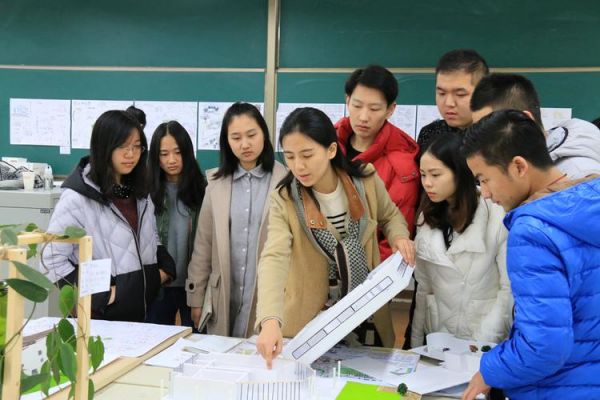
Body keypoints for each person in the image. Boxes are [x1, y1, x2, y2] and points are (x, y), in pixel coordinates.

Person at [255, 107, 416, 367]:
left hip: (367, 316)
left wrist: (399, 238)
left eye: (307, 155)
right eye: (290, 157)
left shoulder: (365, 180)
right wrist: (270, 319)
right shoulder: (283, 199)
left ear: (331, 150)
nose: (299, 166)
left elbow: (390, 216)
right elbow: (274, 257)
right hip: (311, 323)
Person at [461, 110, 600, 400]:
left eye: (484, 179)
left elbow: (544, 346)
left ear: (519, 167)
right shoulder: (588, 200)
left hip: (559, 388)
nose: (484, 194)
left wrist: (490, 369)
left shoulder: (533, 230)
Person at [42, 110, 176, 322]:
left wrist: (160, 272)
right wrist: (101, 296)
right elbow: (50, 258)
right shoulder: (78, 197)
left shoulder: (139, 192)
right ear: (104, 146)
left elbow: (148, 237)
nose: (131, 154)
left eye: (136, 146)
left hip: (141, 314)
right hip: (99, 319)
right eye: (122, 146)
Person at [186, 102, 287, 338]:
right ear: (227, 142)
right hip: (223, 296)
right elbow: (203, 246)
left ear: (264, 134)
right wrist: (196, 298)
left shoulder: (285, 181)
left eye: (252, 135)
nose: (245, 144)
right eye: (236, 137)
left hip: (267, 299)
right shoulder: (216, 184)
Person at [410, 133, 511, 348]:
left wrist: (485, 339)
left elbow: (508, 289)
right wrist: (416, 344)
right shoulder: (426, 217)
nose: (427, 183)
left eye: (436, 175)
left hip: (484, 336)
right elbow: (424, 288)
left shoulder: (496, 214)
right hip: (439, 336)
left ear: (460, 172)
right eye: (423, 174)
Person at [335, 65, 420, 256]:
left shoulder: (403, 164)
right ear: (347, 100)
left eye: (374, 109)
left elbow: (393, 239)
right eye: (357, 106)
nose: (364, 117)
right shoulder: (326, 144)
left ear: (390, 109)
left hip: (370, 273)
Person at [470, 73, 600, 179]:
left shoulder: (579, 178)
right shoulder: (522, 166)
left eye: (488, 129)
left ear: (524, 120)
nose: (480, 143)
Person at [146, 121, 207, 327]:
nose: (171, 160)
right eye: (164, 154)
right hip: (159, 284)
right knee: (154, 345)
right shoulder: (145, 192)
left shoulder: (204, 190)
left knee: (196, 347)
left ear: (187, 152)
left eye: (177, 152)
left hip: (194, 286)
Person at [417, 49, 489, 153]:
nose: (449, 103)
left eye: (460, 94)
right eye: (442, 93)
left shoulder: (500, 135)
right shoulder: (430, 134)